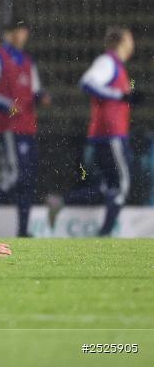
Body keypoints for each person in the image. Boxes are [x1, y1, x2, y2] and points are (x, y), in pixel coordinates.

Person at [48, 27, 142, 236]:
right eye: (130, 39)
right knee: (122, 186)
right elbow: (87, 82)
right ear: (121, 42)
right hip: (111, 135)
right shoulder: (108, 62)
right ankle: (104, 234)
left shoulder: (117, 66)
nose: (132, 44)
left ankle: (61, 201)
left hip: (106, 135)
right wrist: (121, 96)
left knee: (107, 188)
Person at [0, 19, 50, 237]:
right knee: (15, 176)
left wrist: (40, 96)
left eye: (25, 31)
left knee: (27, 178)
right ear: (10, 33)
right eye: (19, 31)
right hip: (8, 126)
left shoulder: (26, 60)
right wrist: (9, 106)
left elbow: (32, 90)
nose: (22, 35)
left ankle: (23, 230)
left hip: (27, 126)